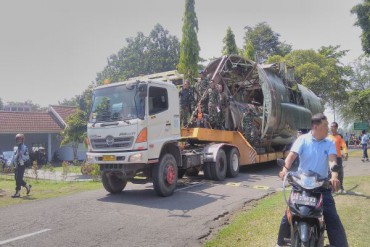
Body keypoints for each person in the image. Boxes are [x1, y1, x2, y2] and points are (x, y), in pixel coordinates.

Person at [276, 113, 348, 247]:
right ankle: (280, 244)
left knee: (331, 215)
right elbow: (291, 156)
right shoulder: (302, 139)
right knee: (289, 214)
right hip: (301, 185)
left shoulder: (329, 142)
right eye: (325, 126)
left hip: (321, 186)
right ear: (315, 127)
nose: (328, 129)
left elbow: (332, 160)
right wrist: (285, 169)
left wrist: (334, 176)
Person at [328, 122, 348, 193]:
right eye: (330, 126)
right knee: (329, 173)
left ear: (336, 128)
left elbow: (344, 145)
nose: (331, 128)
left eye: (333, 126)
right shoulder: (328, 137)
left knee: (340, 173)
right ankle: (330, 189)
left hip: (338, 157)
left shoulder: (339, 137)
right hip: (330, 158)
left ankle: (340, 188)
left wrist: (345, 153)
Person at [10, 133, 32, 198]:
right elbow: (13, 156)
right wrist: (10, 163)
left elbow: (27, 157)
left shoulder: (25, 148)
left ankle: (17, 193)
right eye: (17, 139)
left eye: (20, 139)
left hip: (22, 165)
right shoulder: (16, 148)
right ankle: (27, 186)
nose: (18, 140)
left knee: (18, 179)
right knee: (16, 178)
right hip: (16, 165)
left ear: (22, 140)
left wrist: (21, 155)